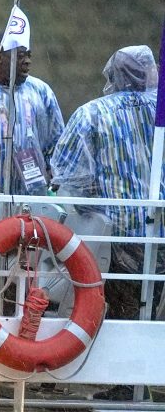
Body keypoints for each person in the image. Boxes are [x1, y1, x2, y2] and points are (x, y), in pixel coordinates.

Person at [51, 46, 160, 322]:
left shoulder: (92, 114)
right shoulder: (160, 112)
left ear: (112, 74)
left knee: (119, 314)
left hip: (113, 237)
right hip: (160, 233)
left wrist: (93, 207)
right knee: (155, 313)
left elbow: (66, 172)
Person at [0, 45, 63, 196]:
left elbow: (57, 141)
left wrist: (55, 177)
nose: (28, 61)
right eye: (21, 56)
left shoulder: (40, 90)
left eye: (29, 55)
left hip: (32, 193)